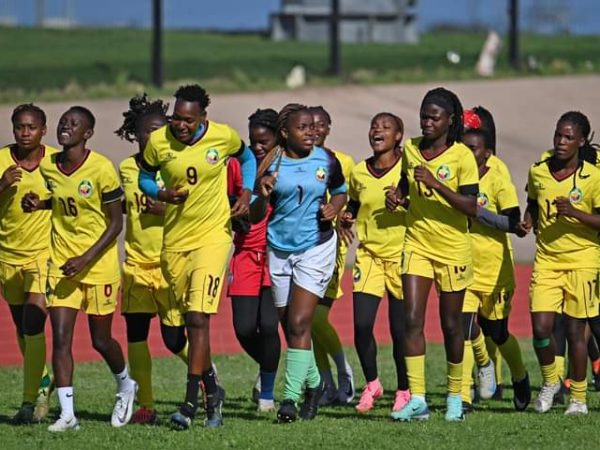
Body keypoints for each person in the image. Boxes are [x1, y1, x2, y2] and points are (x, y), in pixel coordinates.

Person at [138, 84, 257, 430]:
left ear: (203, 117)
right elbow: (146, 177)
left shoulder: (223, 137)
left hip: (212, 238)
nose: (181, 125)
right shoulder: (159, 142)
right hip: (174, 243)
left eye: (188, 120)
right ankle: (213, 389)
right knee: (175, 336)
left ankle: (191, 403)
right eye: (177, 118)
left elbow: (246, 157)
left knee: (198, 318)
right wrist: (161, 192)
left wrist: (246, 191)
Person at [22, 106, 137, 432]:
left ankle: (126, 384)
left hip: (97, 266)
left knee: (101, 340)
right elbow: (60, 199)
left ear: (87, 133)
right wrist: (38, 203)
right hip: (62, 265)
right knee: (60, 338)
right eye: (63, 122)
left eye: (74, 124)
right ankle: (68, 414)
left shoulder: (101, 168)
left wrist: (87, 258)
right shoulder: (50, 165)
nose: (65, 128)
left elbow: (116, 223)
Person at [250, 103, 347, 422]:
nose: (311, 132)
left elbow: (341, 191)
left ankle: (290, 399)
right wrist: (262, 195)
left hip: (316, 248)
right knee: (287, 325)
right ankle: (316, 384)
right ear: (285, 132)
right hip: (279, 249)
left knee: (299, 323)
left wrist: (334, 207)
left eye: (313, 127)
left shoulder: (326, 160)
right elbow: (254, 214)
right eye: (303, 127)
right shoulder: (271, 163)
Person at [386, 87, 478, 422]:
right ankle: (419, 399)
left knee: (452, 325)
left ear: (449, 121)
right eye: (423, 115)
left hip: (453, 248)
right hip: (417, 244)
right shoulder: (410, 150)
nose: (426, 122)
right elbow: (406, 187)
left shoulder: (462, 157)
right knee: (411, 319)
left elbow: (471, 207)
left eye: (433, 117)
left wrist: (438, 185)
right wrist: (396, 197)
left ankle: (455, 396)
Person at [115, 94, 190, 424]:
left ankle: (205, 373)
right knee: (136, 334)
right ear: (136, 135)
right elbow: (122, 207)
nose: (153, 137)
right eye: (147, 131)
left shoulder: (176, 164)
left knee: (174, 340)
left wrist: (167, 207)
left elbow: (194, 209)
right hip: (136, 265)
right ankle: (145, 404)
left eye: (160, 130)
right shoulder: (127, 168)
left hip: (170, 265)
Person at [518, 111, 600, 415]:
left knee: (576, 333)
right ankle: (552, 382)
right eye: (557, 135)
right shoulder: (538, 171)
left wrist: (575, 212)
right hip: (547, 260)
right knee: (541, 328)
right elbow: (533, 203)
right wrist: (527, 221)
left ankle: (578, 398)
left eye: (568, 137)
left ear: (581, 141)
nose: (561, 142)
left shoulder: (593, 177)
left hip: (583, 260)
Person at [338, 112, 409, 414]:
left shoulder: (409, 168)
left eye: (385, 127)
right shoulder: (358, 171)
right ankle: (372, 383)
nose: (377, 131)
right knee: (362, 325)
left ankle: (404, 390)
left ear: (398, 136)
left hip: (404, 257)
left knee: (399, 330)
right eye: (373, 127)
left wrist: (404, 202)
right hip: (369, 256)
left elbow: (424, 203)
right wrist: (346, 216)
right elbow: (354, 202)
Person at [459, 127, 531, 413]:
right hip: (462, 264)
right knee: (461, 328)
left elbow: (514, 222)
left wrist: (478, 212)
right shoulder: (454, 177)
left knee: (497, 332)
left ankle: (520, 375)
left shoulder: (498, 180)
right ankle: (462, 396)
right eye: (463, 147)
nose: (467, 153)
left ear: (487, 153)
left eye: (473, 148)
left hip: (494, 268)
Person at [0, 104, 55, 423]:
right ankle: (43, 380)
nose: (24, 132)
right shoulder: (2, 161)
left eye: (31, 127)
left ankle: (30, 401)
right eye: (19, 126)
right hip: (8, 256)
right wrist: (3, 184)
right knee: (23, 327)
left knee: (34, 322)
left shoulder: (57, 161)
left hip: (43, 255)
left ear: (43, 130)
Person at [226, 108, 281, 412]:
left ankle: (267, 394)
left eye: (264, 140)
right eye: (252, 141)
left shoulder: (286, 165)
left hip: (275, 255)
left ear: (277, 138)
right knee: (244, 328)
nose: (257, 147)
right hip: (245, 252)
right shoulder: (238, 165)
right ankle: (272, 364)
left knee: (270, 326)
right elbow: (226, 198)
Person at [308, 105, 355, 405]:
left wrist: (343, 216)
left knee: (316, 317)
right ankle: (325, 383)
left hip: (330, 248)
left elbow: (350, 197)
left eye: (320, 125)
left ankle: (343, 371)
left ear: (329, 128)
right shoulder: (294, 161)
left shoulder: (343, 162)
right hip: (301, 248)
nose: (314, 130)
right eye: (308, 125)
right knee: (305, 320)